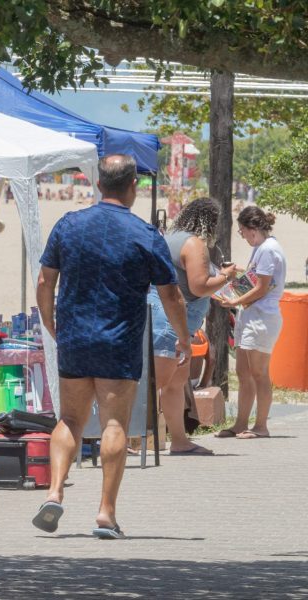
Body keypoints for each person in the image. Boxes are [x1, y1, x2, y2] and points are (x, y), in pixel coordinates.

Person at [32, 155, 189, 540]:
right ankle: (105, 513)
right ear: (134, 186)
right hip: (119, 340)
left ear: (99, 184)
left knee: (69, 419)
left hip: (74, 336)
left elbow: (43, 281)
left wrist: (50, 321)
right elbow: (171, 294)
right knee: (114, 424)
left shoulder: (69, 225)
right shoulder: (145, 234)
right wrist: (183, 336)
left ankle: (54, 492)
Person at [149, 198, 237, 455]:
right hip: (171, 324)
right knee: (158, 383)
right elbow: (199, 286)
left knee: (174, 384)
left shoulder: (170, 238)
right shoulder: (194, 243)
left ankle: (179, 440)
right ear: (210, 222)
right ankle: (130, 439)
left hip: (170, 321)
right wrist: (225, 277)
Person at [217, 206, 286, 440]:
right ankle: (240, 423)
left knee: (259, 372)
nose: (243, 236)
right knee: (243, 371)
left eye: (242, 231)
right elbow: (254, 279)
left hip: (262, 317)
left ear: (252, 229)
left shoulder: (267, 249)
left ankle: (261, 426)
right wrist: (234, 278)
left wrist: (234, 300)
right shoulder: (262, 248)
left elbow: (262, 287)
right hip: (252, 315)